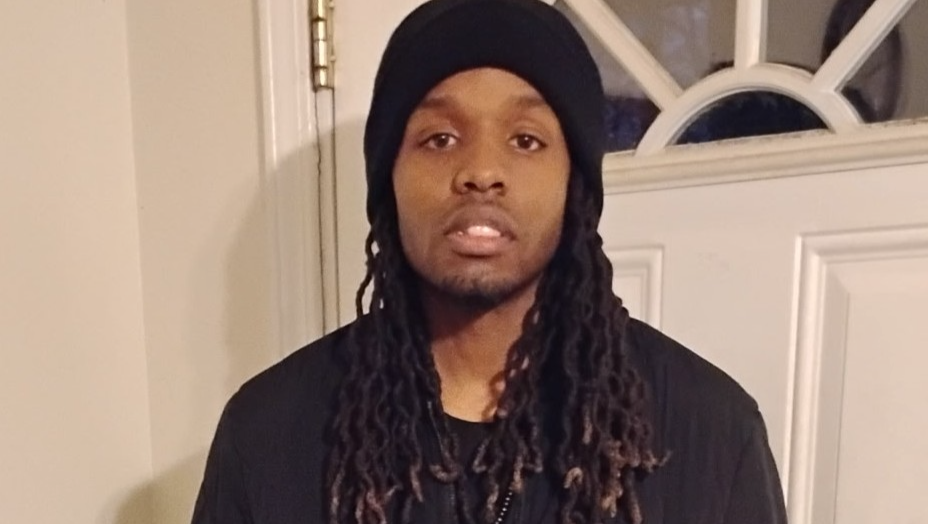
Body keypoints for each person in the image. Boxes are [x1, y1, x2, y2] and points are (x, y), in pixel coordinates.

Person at [191, 0, 788, 523]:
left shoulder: (710, 433)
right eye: (440, 139)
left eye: (526, 140)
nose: (481, 171)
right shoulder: (268, 434)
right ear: (388, 179)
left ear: (574, 183)